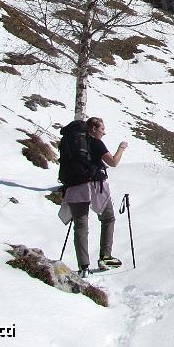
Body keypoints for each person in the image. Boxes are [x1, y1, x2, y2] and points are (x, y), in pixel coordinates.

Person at [58, 116, 128, 276]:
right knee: (108, 218)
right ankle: (105, 257)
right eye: (102, 129)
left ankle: (84, 268)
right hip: (95, 186)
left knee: (81, 227)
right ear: (94, 129)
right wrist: (121, 148)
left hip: (74, 187)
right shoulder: (95, 142)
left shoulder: (71, 142)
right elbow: (113, 162)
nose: (104, 132)